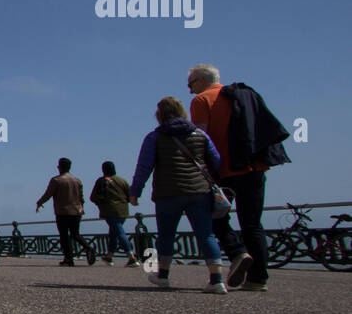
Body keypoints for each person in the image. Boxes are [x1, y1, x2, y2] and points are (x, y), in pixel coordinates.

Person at [188, 64, 290, 292]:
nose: (190, 90)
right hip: (254, 167)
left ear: (201, 80)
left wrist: (198, 169)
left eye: (191, 84)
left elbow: (200, 138)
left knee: (215, 218)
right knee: (253, 223)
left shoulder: (202, 100)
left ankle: (237, 253)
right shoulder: (243, 95)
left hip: (224, 170)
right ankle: (257, 279)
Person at [128, 96, 227, 292]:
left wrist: (135, 192)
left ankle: (163, 276)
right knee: (206, 235)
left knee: (166, 235)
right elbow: (216, 160)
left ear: (159, 115)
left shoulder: (154, 137)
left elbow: (144, 167)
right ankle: (216, 280)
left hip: (168, 192)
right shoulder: (200, 134)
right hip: (200, 191)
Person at [36, 158, 94, 266]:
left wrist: (39, 202)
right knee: (75, 234)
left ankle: (68, 258)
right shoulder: (77, 180)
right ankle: (88, 247)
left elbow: (48, 194)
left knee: (64, 235)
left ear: (59, 167)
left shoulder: (56, 180)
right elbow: (82, 198)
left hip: (62, 211)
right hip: (77, 211)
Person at [89, 161, 138, 266]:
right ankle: (109, 256)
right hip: (123, 210)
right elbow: (130, 195)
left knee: (119, 233)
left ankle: (131, 257)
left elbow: (93, 197)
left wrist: (101, 202)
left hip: (110, 210)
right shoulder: (122, 181)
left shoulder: (101, 181)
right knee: (113, 234)